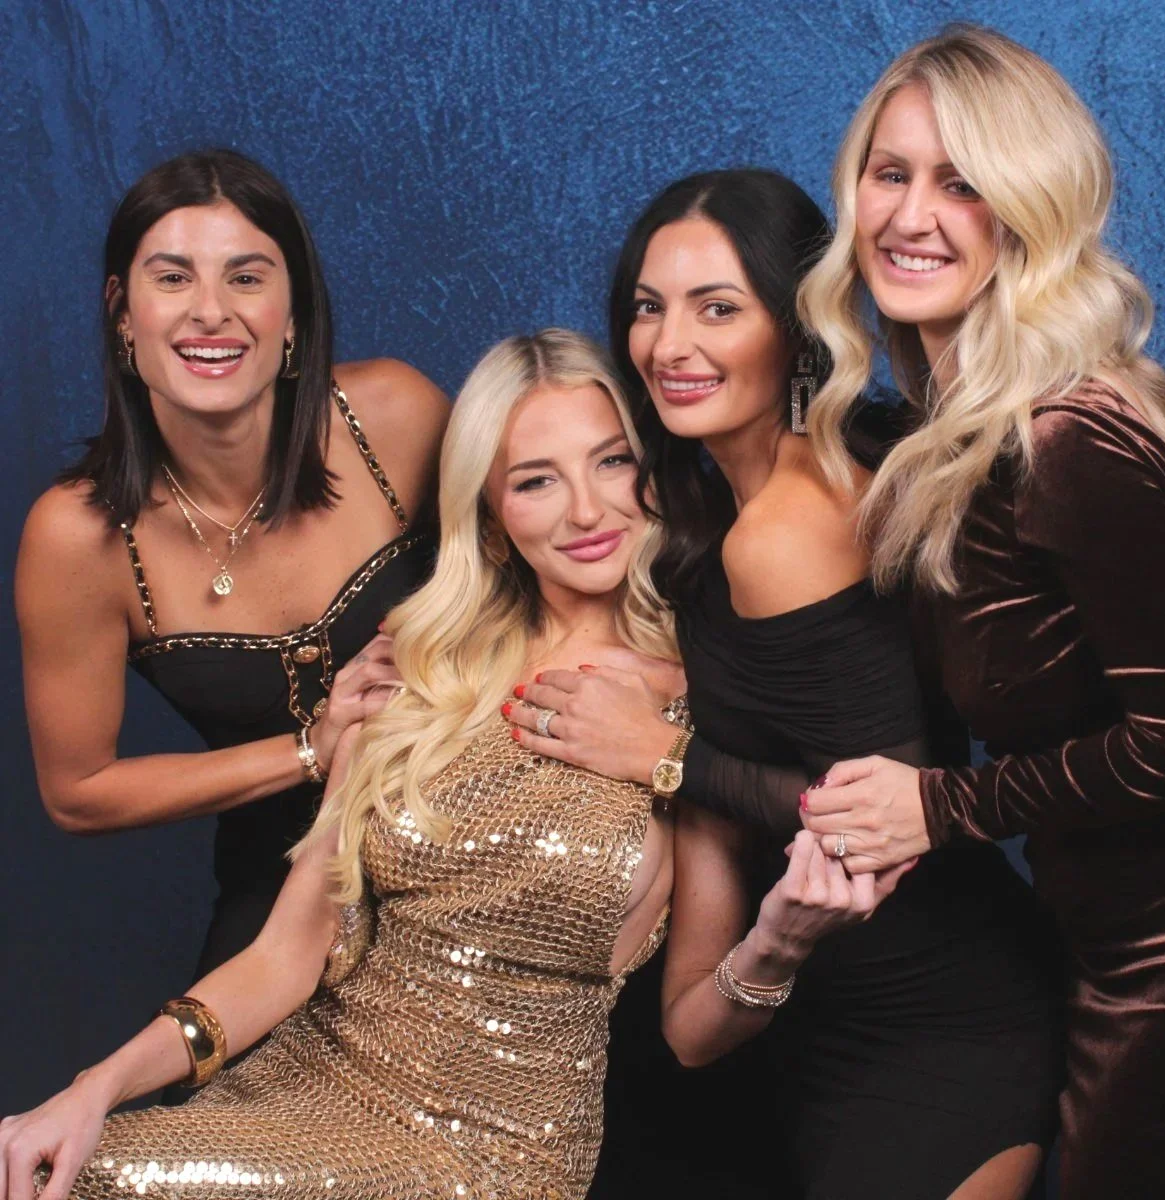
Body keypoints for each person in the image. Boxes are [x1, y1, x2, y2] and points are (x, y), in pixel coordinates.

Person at [1, 329, 687, 1200]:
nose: (587, 511)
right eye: (536, 480)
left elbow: (700, 1004)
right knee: (44, 1166)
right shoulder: (424, 661)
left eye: (613, 461)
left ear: (655, 472)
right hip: (303, 1090)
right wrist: (92, 1090)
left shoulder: (703, 698)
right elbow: (286, 956)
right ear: (493, 516)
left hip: (496, 1153)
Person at [507, 170, 1062, 1199]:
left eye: (718, 307)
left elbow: (875, 816)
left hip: (936, 1014)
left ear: (797, 326)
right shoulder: (802, 478)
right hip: (828, 1017)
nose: (670, 346)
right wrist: (680, 681)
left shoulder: (785, 524)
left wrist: (664, 752)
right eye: (648, 307)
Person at [789, 26, 1165, 1199]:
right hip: (1101, 948)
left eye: (963, 182)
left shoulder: (1070, 435)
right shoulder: (948, 440)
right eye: (892, 172)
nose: (914, 215)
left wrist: (941, 807)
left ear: (1027, 210)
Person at [15, 150, 448, 996]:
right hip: (282, 890)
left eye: (246, 278)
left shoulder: (394, 418)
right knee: (209, 1126)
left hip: (483, 850)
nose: (210, 313)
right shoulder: (77, 536)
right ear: (122, 314)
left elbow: (549, 582)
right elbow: (78, 792)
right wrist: (307, 750)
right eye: (172, 278)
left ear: (292, 314)